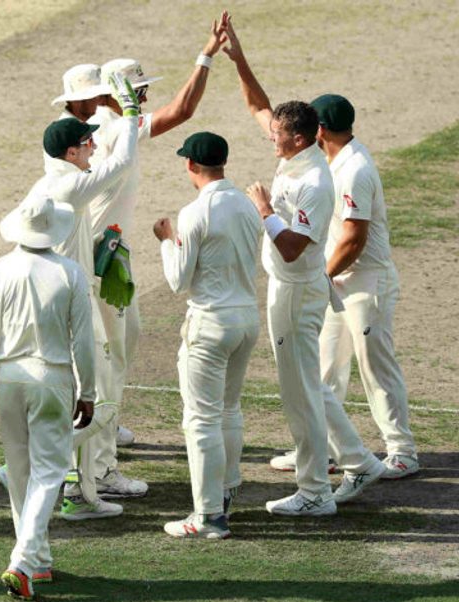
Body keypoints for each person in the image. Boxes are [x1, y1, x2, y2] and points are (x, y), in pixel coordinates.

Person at [224, 17, 385, 514]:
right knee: (308, 386)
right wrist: (237, 57)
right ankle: (359, 460)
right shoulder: (296, 153)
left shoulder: (315, 182)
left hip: (296, 290)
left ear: (301, 139)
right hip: (289, 288)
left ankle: (315, 492)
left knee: (300, 395)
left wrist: (264, 211)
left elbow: (293, 246)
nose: (270, 138)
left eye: (277, 135)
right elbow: (256, 105)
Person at [86, 13, 228, 493]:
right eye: (138, 89)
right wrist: (205, 56)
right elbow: (182, 111)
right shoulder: (110, 127)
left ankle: (104, 428)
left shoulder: (107, 124)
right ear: (116, 95)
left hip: (111, 252)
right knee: (107, 358)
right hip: (99, 259)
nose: (143, 96)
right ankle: (99, 468)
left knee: (126, 341)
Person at [0, 192, 94, 600]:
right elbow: (84, 342)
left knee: (21, 474)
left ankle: (37, 561)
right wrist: (88, 390)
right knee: (49, 473)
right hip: (52, 378)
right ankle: (22, 561)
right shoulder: (69, 272)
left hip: (10, 380)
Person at [28, 74, 140, 521]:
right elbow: (125, 160)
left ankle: (78, 487)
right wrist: (130, 113)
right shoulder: (72, 185)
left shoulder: (46, 184)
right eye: (87, 144)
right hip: (70, 307)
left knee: (80, 396)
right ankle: (71, 489)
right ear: (71, 151)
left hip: (56, 300)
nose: (95, 147)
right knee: (93, 396)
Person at [152, 132, 262, 538]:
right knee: (229, 410)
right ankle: (227, 491)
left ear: (190, 165)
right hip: (246, 319)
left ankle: (208, 516)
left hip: (210, 324)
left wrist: (166, 242)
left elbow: (178, 281)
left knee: (200, 420)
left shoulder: (195, 212)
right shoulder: (248, 206)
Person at [311, 94, 418, 478]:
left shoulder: (354, 169)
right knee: (325, 368)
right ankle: (321, 448)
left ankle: (402, 451)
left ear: (320, 130)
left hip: (365, 283)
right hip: (339, 280)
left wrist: (319, 277)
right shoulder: (332, 161)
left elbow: (354, 240)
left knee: (375, 366)